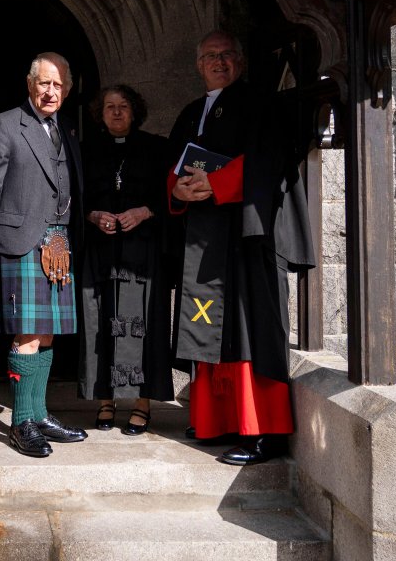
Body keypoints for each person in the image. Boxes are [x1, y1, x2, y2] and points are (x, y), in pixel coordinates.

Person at [167, 30, 315, 465]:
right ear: (198, 65)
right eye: (210, 56)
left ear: (241, 61)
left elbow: (268, 160)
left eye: (227, 55)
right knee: (209, 329)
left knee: (252, 332)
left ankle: (262, 431)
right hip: (206, 236)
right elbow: (172, 168)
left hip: (250, 233)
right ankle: (217, 422)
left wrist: (215, 183)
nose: (219, 62)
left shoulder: (261, 104)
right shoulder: (191, 112)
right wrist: (179, 191)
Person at [0, 52, 88, 458]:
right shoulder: (5, 124)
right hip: (20, 241)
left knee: (47, 332)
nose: (50, 91)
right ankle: (21, 423)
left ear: (67, 90)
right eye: (44, 83)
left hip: (59, 243)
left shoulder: (67, 130)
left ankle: (39, 414)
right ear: (29, 84)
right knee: (27, 334)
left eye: (58, 85)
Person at [79, 85, 173, 435]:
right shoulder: (86, 151)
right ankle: (105, 400)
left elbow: (171, 200)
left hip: (142, 252)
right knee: (101, 322)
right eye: (109, 107)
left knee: (143, 324)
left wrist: (145, 211)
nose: (116, 113)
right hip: (101, 251)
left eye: (123, 107)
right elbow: (74, 198)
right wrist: (93, 216)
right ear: (100, 114)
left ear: (135, 111)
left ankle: (141, 403)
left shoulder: (157, 148)